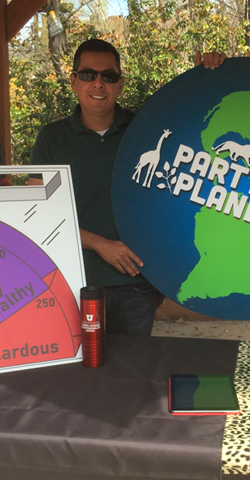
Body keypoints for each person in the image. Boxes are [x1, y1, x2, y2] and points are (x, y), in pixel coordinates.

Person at [29, 38, 224, 335]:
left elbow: (196, 135)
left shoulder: (143, 130)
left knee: (132, 376)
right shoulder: (52, 139)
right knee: (77, 377)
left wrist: (207, 77)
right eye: (87, 75)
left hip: (135, 285)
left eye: (108, 76)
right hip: (73, 282)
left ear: (120, 84)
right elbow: (38, 215)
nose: (98, 84)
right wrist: (99, 244)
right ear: (73, 81)